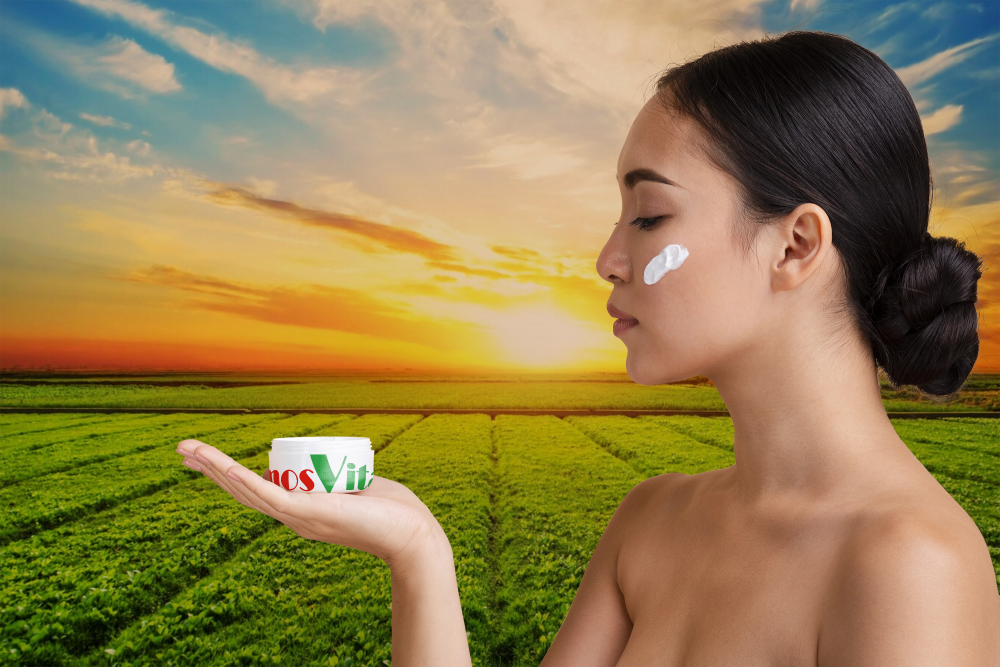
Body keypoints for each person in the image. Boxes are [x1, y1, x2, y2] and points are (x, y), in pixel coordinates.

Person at [177, 30, 1000, 666]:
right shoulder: (651, 519)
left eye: (648, 217)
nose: (608, 258)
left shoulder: (910, 567)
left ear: (794, 246)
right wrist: (416, 550)